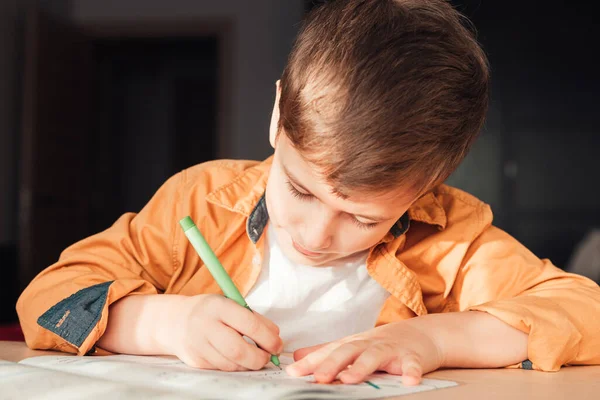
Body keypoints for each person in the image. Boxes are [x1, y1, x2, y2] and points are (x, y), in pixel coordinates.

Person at [17, 0, 600, 386]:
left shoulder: (449, 235)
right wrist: (162, 323)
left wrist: (430, 337)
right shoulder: (198, 200)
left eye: (364, 219)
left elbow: (585, 312)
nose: (317, 236)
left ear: (426, 187)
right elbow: (45, 301)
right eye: (299, 188)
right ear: (276, 116)